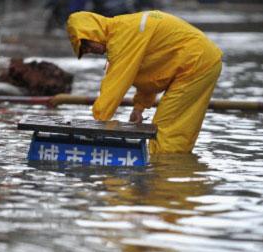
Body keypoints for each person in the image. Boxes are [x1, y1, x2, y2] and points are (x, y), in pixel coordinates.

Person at [66, 10, 222, 153]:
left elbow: (115, 84)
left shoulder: (122, 37)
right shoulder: (123, 31)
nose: (88, 51)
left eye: (85, 44)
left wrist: (96, 124)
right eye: (83, 50)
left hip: (197, 63)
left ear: (93, 31)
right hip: (198, 61)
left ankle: (165, 173)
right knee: (173, 130)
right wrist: (139, 108)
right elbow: (151, 74)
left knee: (166, 130)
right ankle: (173, 168)